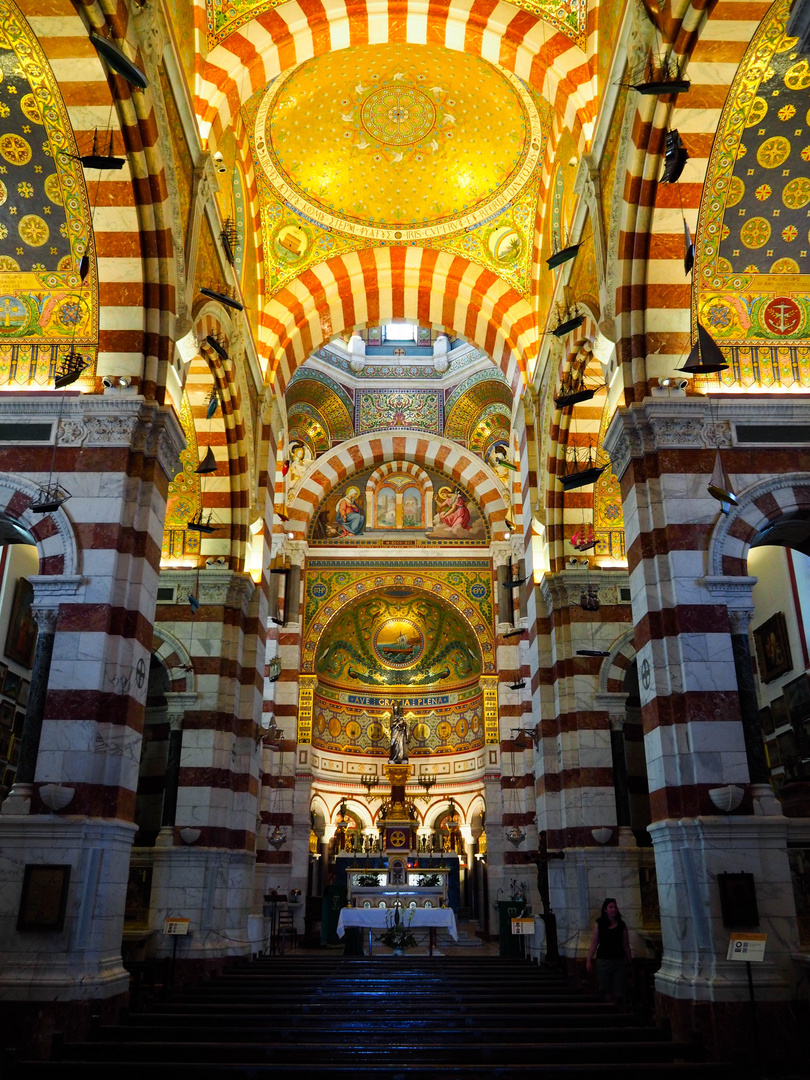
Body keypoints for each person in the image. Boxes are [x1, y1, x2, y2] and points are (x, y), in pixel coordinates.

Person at [586, 897, 632, 1006]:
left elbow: (626, 945)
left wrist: (630, 962)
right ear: (605, 909)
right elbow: (594, 942)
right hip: (604, 961)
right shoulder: (599, 923)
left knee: (619, 991)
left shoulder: (622, 925)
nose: (613, 909)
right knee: (606, 991)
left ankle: (620, 1013)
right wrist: (589, 960)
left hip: (619, 961)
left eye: (615, 907)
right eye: (610, 907)